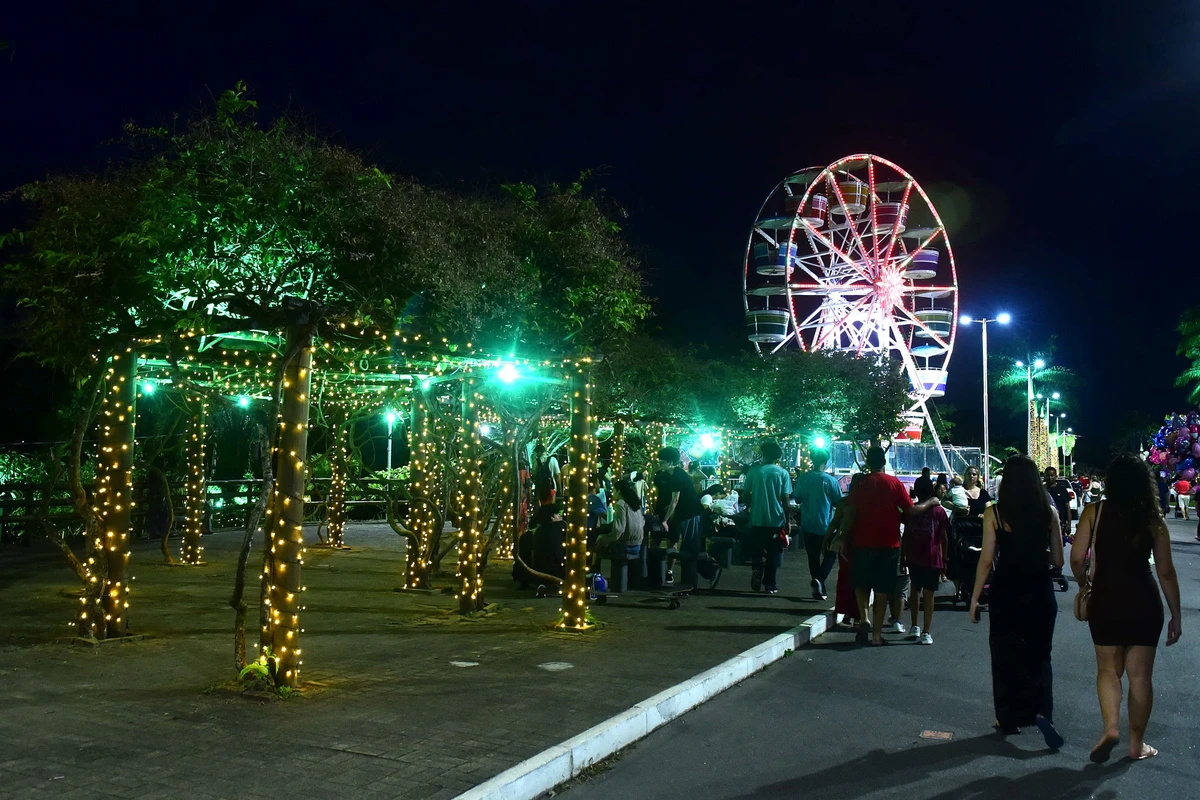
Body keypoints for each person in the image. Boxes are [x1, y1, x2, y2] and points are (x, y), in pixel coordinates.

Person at [1070, 455, 1182, 763]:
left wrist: (1084, 585)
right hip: (1144, 600)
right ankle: (1137, 744)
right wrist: (1176, 614)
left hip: (1105, 599)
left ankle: (1110, 728)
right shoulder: (1153, 518)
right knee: (1140, 676)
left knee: (1108, 670)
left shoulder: (1095, 511)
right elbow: (1166, 571)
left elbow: (1078, 558)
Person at [969, 455, 1065, 749]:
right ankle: (1042, 712)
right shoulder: (1049, 512)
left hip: (1006, 590)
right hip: (1039, 589)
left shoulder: (994, 513)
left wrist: (974, 599)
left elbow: (986, 560)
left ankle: (1008, 718)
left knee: (1004, 654)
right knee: (1040, 656)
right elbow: (1058, 560)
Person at [839, 446, 939, 645]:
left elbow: (850, 512)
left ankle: (864, 617)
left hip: (862, 542)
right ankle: (876, 635)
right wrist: (931, 503)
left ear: (867, 462)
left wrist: (842, 537)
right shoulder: (894, 483)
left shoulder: (860, 484)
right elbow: (910, 510)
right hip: (888, 544)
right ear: (884, 462)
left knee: (861, 583)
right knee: (882, 590)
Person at [902, 478, 950, 645]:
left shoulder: (912, 510)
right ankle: (926, 631)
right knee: (929, 596)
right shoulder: (939, 511)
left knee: (915, 591)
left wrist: (902, 557)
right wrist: (945, 558)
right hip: (932, 557)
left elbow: (906, 535)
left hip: (914, 556)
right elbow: (944, 537)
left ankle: (914, 625)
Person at [744, 441, 793, 594]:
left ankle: (757, 567)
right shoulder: (782, 473)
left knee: (757, 548)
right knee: (773, 553)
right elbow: (785, 498)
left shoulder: (753, 471)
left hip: (757, 518)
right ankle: (770, 584)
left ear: (763, 454)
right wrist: (788, 519)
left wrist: (752, 504)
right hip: (776, 519)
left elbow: (745, 493)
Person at [793, 447, 842, 600]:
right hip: (827, 526)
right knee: (831, 555)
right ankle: (819, 582)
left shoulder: (803, 478)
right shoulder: (830, 481)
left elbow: (798, 499)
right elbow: (839, 503)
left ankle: (819, 587)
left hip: (808, 524)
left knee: (813, 557)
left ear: (812, 460)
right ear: (826, 462)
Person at [657, 447, 704, 585]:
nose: (660, 465)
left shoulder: (676, 476)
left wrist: (665, 519)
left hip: (690, 513)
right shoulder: (677, 474)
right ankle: (688, 581)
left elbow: (675, 501)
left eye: (662, 462)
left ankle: (689, 582)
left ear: (670, 462)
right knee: (688, 546)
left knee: (689, 548)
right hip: (688, 513)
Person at [824, 473, 865, 626]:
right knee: (859, 580)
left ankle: (847, 611)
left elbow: (835, 523)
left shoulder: (844, 502)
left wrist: (826, 539)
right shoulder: (868, 503)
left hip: (846, 544)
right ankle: (858, 614)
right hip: (862, 544)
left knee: (846, 578)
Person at [590, 478, 646, 571]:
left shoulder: (621, 504)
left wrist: (604, 539)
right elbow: (642, 521)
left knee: (598, 542)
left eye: (614, 490)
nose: (613, 493)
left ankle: (594, 571)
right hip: (638, 545)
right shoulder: (636, 503)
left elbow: (618, 530)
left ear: (619, 491)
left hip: (626, 546)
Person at [531, 483, 566, 580]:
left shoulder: (537, 531)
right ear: (552, 517)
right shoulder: (561, 527)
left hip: (537, 572)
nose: (559, 517)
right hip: (559, 571)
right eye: (557, 515)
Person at [1045, 466, 1072, 538]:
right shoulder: (1042, 490)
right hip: (1045, 524)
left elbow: (1067, 507)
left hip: (1059, 524)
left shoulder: (1062, 490)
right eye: (1048, 475)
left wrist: (1068, 524)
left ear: (1056, 476)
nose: (1050, 477)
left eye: (1052, 475)